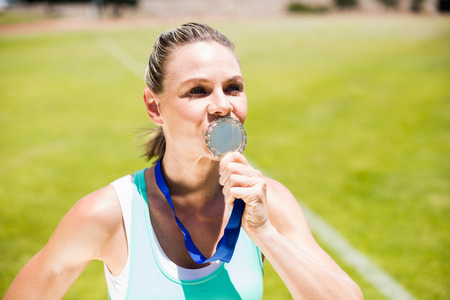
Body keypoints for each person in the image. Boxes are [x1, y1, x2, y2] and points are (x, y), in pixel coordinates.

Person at [4, 23, 363, 299]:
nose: (223, 105)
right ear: (154, 106)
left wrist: (264, 232)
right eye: (198, 90)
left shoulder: (270, 202)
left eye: (233, 87)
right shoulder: (111, 214)